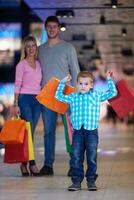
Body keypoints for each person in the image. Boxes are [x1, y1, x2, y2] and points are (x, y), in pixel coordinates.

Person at [55, 71, 118, 191]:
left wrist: (109, 79)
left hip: (92, 132)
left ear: (92, 85)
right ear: (76, 84)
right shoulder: (73, 97)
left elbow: (113, 92)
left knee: (91, 157)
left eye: (86, 84)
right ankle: (76, 181)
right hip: (78, 132)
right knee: (76, 157)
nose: (83, 86)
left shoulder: (96, 95)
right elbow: (58, 96)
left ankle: (91, 181)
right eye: (80, 83)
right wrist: (62, 83)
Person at [38, 16, 80, 176]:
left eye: (54, 26)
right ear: (45, 28)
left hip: (66, 94)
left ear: (58, 28)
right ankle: (48, 165)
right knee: (49, 131)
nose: (52, 29)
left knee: (70, 130)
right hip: (47, 96)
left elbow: (75, 70)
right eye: (49, 26)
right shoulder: (40, 50)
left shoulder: (68, 48)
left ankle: (74, 164)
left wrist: (78, 94)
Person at [14, 35, 42, 176]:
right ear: (25, 48)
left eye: (33, 45)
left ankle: (23, 164)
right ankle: (32, 163)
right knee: (29, 129)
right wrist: (15, 103)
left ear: (36, 47)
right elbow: (17, 84)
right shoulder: (21, 65)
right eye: (28, 46)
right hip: (24, 99)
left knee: (30, 132)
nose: (31, 48)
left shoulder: (39, 64)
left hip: (37, 100)